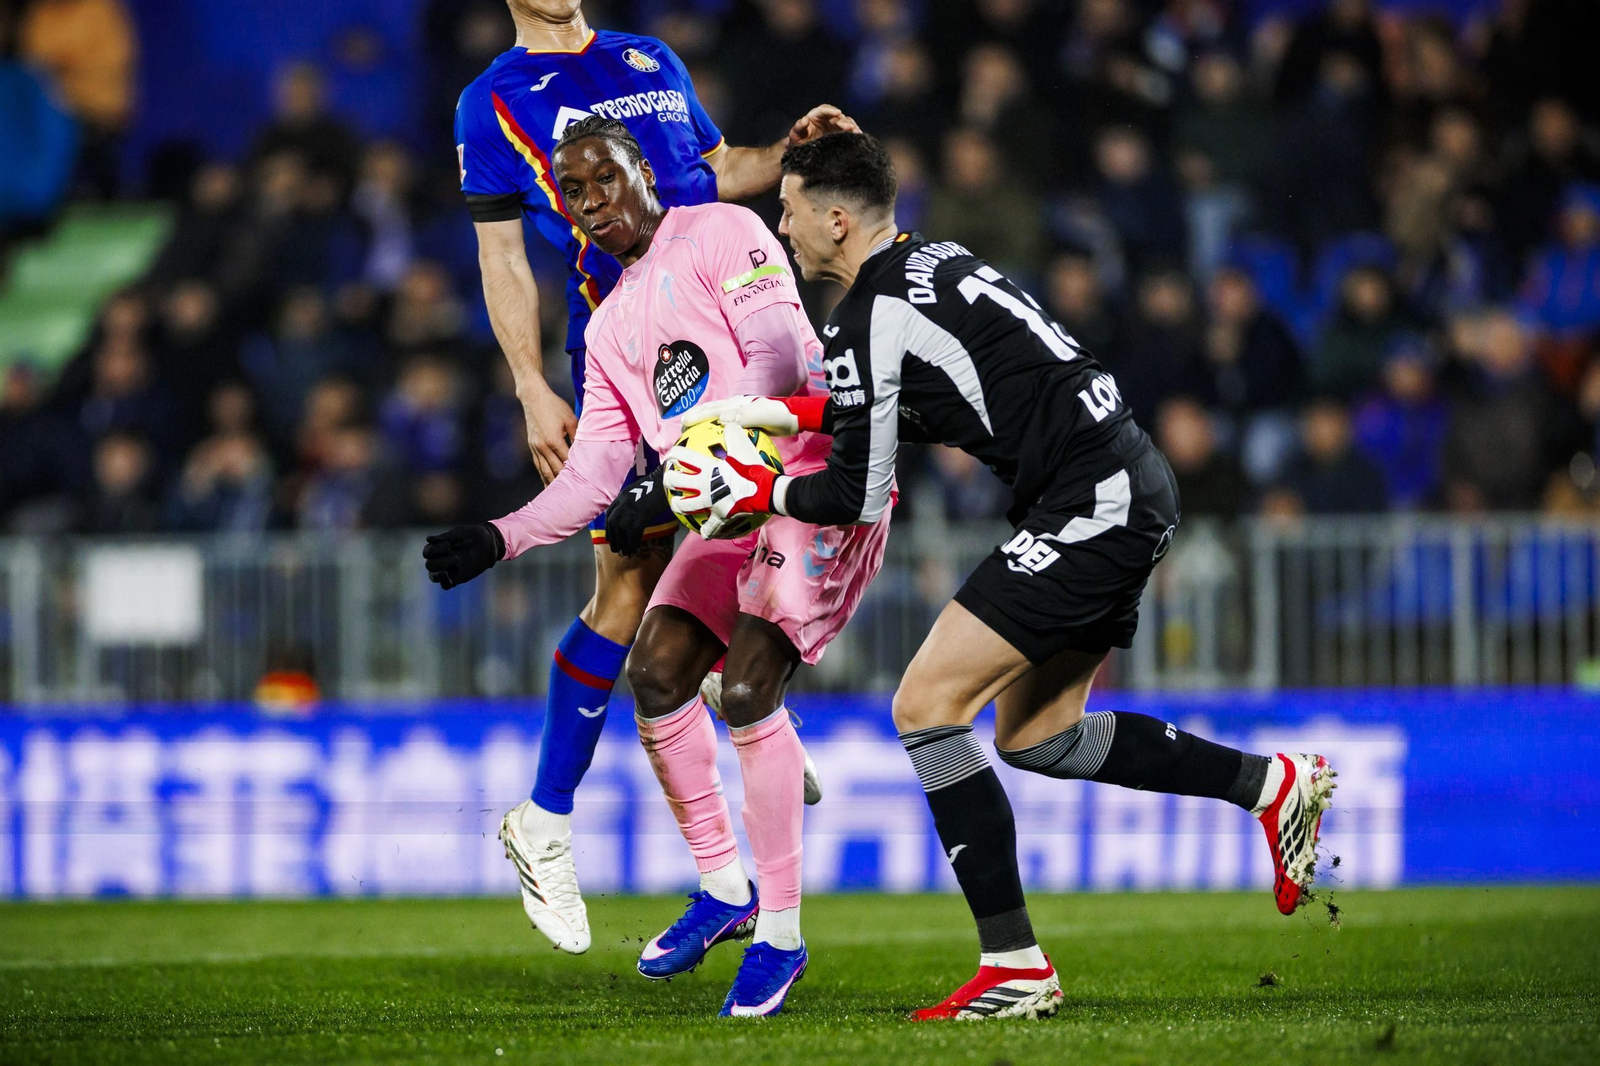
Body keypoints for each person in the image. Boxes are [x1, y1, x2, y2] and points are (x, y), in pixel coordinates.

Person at [679, 133, 1338, 1020]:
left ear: (838, 220)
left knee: (924, 705)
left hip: (1090, 498)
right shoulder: (933, 264)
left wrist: (756, 486)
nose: (781, 222)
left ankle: (1015, 965)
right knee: (1038, 735)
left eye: (790, 206)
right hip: (1118, 480)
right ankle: (1270, 785)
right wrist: (756, 410)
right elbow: (885, 397)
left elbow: (854, 490)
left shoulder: (869, 314)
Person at [424, 118, 891, 1017]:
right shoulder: (608, 333)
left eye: (605, 180)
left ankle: (783, 939)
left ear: (643, 171)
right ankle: (724, 889)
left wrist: (688, 475)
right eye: (574, 193)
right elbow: (597, 473)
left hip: (813, 481)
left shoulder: (720, 230)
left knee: (749, 688)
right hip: (719, 500)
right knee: (658, 670)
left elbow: (781, 360)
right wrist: (501, 535)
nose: (592, 203)